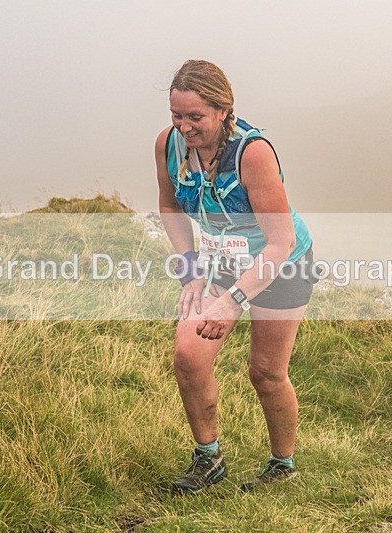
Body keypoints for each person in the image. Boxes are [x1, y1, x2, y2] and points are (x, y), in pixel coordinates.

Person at [154, 59, 316, 494]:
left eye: (195, 117)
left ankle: (282, 466)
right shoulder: (168, 144)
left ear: (223, 110)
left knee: (266, 372)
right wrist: (191, 270)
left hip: (282, 261)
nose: (184, 127)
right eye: (176, 115)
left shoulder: (253, 153)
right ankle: (209, 458)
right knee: (189, 355)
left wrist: (231, 302)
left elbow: (280, 242)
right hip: (221, 257)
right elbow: (170, 206)